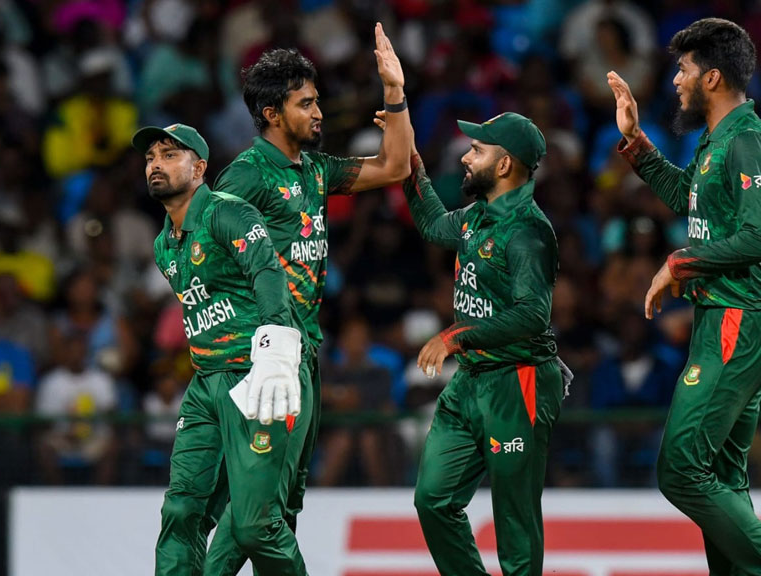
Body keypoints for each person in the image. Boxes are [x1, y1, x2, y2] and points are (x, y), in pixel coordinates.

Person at [608, 18, 761, 576]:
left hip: (743, 317)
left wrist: (678, 262)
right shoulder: (720, 139)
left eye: (684, 69)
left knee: (681, 470)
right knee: (721, 478)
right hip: (729, 316)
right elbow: (690, 200)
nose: (675, 81)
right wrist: (638, 145)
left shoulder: (749, 140)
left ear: (712, 78)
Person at [204, 22, 412, 574]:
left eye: (317, 101)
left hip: (306, 354)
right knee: (258, 512)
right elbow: (201, 249)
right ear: (273, 114)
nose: (319, 113)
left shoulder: (315, 171)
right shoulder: (245, 177)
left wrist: (394, 93)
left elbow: (395, 165)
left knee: (276, 506)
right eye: (306, 103)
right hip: (266, 359)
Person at [391, 110, 567, 576]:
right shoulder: (477, 216)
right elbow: (432, 226)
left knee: (515, 522)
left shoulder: (529, 232)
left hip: (518, 382)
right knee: (432, 500)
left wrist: (455, 335)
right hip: (471, 380)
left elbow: (533, 315)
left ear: (505, 164)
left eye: (477, 150)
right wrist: (411, 168)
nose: (466, 157)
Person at [135, 123, 311, 576]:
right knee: (180, 513)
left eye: (170, 155)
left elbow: (268, 272)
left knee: (255, 526)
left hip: (256, 378)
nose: (156, 163)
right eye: (152, 156)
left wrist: (275, 348)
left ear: (200, 168)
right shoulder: (163, 246)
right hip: (205, 384)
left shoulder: (227, 212)